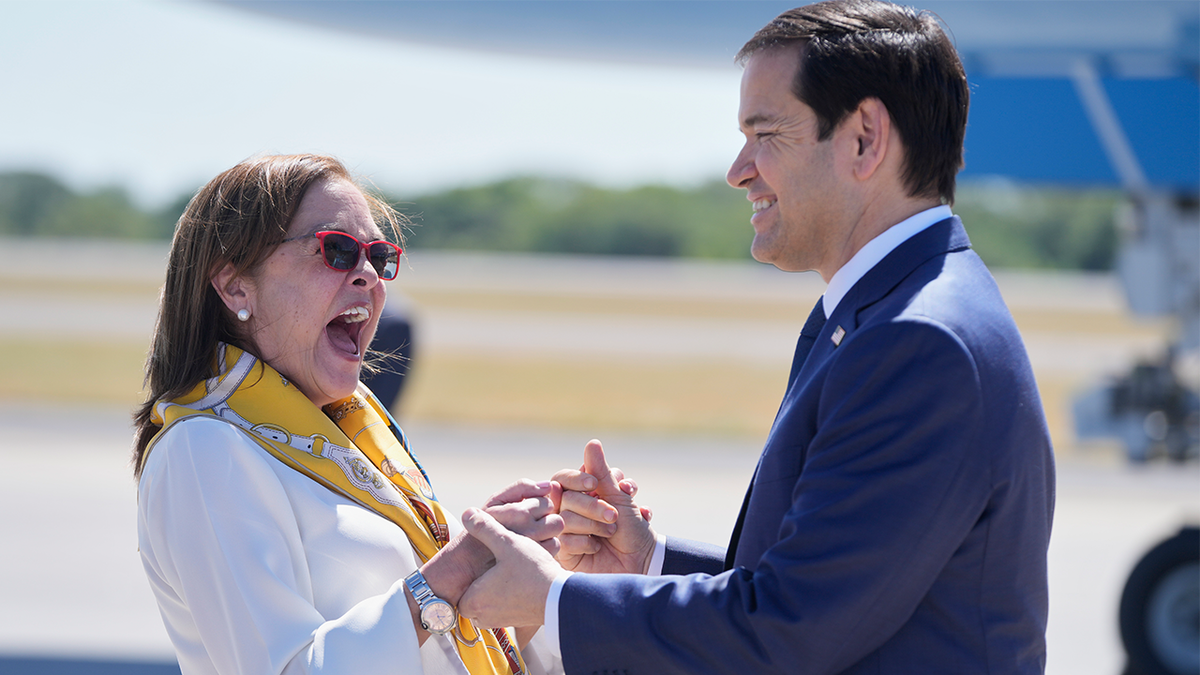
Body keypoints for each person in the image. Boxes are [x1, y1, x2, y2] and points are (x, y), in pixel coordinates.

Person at [455, 2, 1056, 673]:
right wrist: (647, 563)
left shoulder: (917, 342)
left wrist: (556, 602)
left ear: (864, 138)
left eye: (765, 133)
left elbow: (788, 631)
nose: (739, 169)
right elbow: (836, 590)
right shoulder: (896, 310)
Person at [132, 154, 564, 675]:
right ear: (235, 286)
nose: (367, 277)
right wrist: (451, 574)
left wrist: (533, 576)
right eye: (335, 250)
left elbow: (441, 648)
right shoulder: (203, 451)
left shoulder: (350, 427)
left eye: (379, 258)